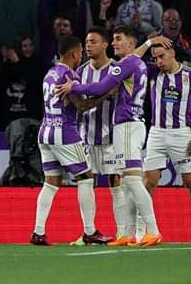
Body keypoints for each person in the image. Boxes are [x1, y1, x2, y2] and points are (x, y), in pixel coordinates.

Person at [57, 27, 173, 247]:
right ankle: (127, 234)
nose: (114, 43)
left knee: (132, 180)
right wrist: (149, 43)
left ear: (131, 43)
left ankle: (153, 230)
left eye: (118, 39)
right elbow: (136, 55)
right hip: (123, 126)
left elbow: (101, 86)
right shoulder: (135, 62)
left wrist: (74, 86)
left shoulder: (126, 64)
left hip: (127, 125)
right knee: (128, 182)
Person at [30, 35, 111, 247]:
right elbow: (82, 107)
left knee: (51, 182)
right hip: (64, 132)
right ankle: (90, 231)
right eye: (81, 52)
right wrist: (107, 93)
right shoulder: (69, 76)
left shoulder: (50, 73)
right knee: (86, 178)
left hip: (45, 131)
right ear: (74, 53)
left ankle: (38, 232)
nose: (82, 55)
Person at [145, 43, 191, 245]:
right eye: (155, 58)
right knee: (148, 183)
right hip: (156, 133)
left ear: (172, 53)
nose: (159, 61)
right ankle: (141, 231)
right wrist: (150, 42)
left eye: (162, 56)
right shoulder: (152, 72)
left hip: (181, 134)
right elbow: (131, 60)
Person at [76, 27, 124, 242]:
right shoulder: (81, 72)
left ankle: (122, 232)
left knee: (116, 183)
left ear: (105, 45)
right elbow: (79, 106)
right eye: (87, 42)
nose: (88, 45)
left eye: (93, 41)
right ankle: (89, 232)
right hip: (86, 137)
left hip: (112, 137)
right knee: (86, 183)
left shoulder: (117, 70)